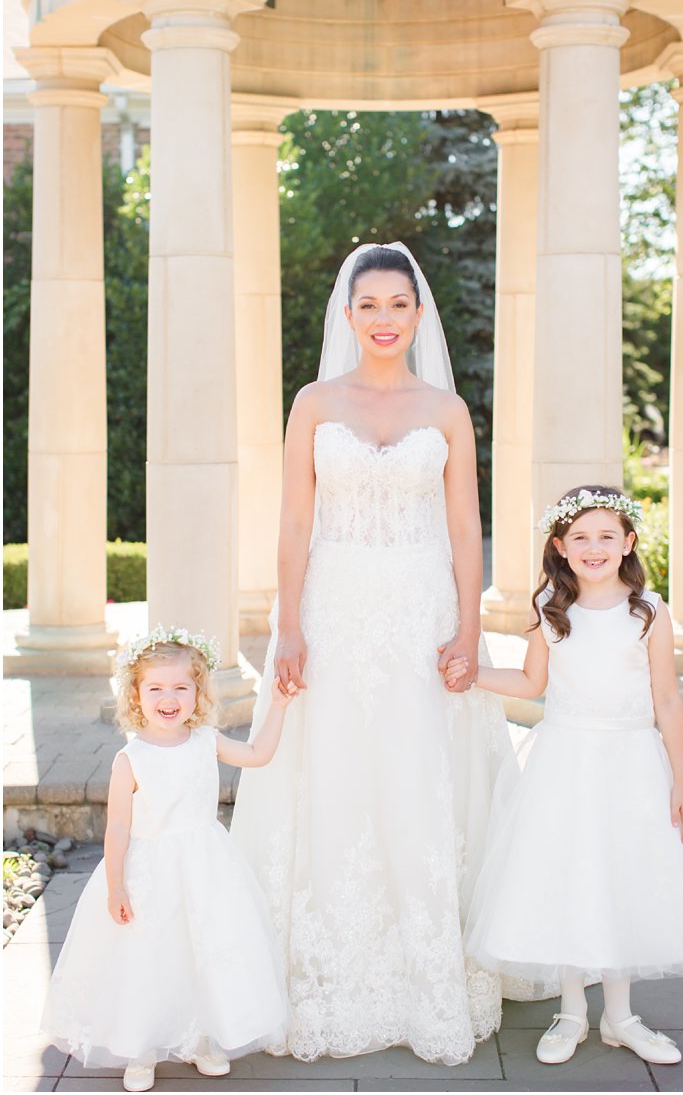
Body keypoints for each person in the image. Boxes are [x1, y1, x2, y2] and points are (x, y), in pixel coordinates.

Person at [229, 243, 518, 1064]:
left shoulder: (448, 410)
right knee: (335, 772)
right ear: (348, 315)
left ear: (418, 314)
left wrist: (467, 627)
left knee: (421, 772)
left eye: (399, 305)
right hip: (336, 606)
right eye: (371, 306)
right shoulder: (314, 404)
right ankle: (325, 971)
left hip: (424, 611)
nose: (385, 319)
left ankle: (428, 971)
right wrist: (288, 625)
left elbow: (466, 527)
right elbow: (292, 523)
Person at [456, 485, 683, 1067]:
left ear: (629, 542)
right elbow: (532, 683)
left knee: (622, 875)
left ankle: (621, 1016)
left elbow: (667, 698)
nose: (594, 547)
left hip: (631, 761)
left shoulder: (649, 612)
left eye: (607, 535)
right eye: (580, 537)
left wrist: (682, 780)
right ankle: (573, 1011)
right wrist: (472, 674)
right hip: (565, 760)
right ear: (560, 545)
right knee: (570, 872)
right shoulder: (550, 610)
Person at [42, 628, 293, 1092]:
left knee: (203, 950)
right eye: (155, 688)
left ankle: (200, 1036)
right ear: (136, 696)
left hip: (205, 867)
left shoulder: (206, 741)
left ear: (198, 692)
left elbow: (258, 754)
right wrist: (116, 885)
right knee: (148, 957)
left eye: (181, 686)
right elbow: (117, 828)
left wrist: (277, 705)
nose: (169, 698)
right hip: (148, 872)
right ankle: (142, 1048)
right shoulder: (130, 759)